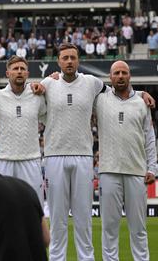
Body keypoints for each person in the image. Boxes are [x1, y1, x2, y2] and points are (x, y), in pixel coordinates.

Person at [40, 43, 104, 261]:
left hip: (84, 155)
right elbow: (35, 108)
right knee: (57, 218)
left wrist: (140, 94)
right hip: (54, 155)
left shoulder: (92, 83)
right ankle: (57, 259)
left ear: (78, 60)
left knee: (83, 216)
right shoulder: (48, 83)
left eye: (73, 58)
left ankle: (86, 258)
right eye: (65, 58)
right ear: (58, 61)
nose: (69, 61)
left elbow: (117, 92)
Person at [95, 61, 157, 261]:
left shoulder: (142, 102)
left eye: (124, 73)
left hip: (136, 172)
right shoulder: (100, 100)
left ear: (129, 76)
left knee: (138, 228)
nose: (120, 76)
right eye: (116, 73)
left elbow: (149, 137)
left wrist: (152, 168)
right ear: (110, 77)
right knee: (109, 229)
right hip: (108, 171)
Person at [0, 56, 46, 206]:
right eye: (15, 69)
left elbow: (49, 119)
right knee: (0, 208)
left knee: (32, 207)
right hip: (2, 159)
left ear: (27, 73)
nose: (19, 72)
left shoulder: (38, 96)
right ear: (8, 73)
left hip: (30, 158)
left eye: (22, 69)